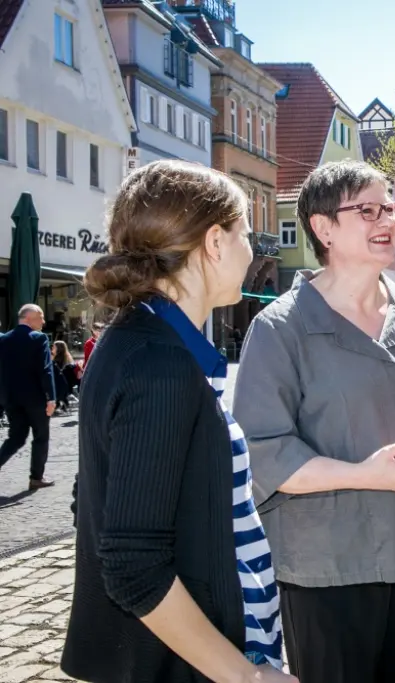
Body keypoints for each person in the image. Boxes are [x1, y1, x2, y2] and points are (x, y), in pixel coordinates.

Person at [232, 159, 395, 683]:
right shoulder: (281, 329)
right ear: (322, 228)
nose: (386, 220)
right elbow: (263, 452)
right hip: (327, 571)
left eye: (389, 207)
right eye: (367, 210)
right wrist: (364, 475)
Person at [61, 160, 294, 683]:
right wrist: (245, 675)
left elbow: (97, 497)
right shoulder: (159, 363)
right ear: (214, 241)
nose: (251, 250)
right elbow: (132, 566)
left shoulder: (143, 342)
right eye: (244, 234)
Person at [0, 303, 56, 489]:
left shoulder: (4, 340)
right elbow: (45, 370)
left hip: (12, 400)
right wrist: (51, 397)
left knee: (15, 438)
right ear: (29, 318)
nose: (43, 321)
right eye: (40, 316)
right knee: (41, 437)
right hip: (36, 399)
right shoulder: (39, 338)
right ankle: (36, 477)